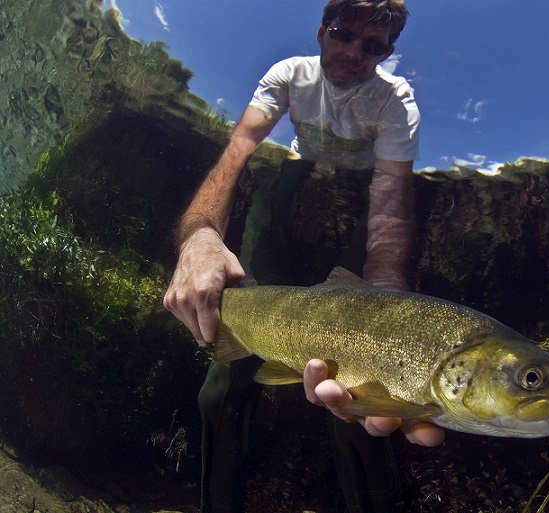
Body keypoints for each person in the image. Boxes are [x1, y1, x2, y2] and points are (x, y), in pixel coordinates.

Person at [162, 1, 444, 512]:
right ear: (321, 32)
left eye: (373, 46)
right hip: (299, 164)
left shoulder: (395, 101)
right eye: (343, 35)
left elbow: (390, 193)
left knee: (361, 408)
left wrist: (386, 296)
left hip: (362, 185)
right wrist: (200, 234)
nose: (354, 51)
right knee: (226, 379)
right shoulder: (289, 74)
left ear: (388, 52)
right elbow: (241, 145)